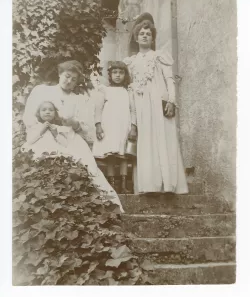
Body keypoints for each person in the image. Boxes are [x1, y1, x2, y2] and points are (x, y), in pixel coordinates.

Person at [22, 60, 124, 212]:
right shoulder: (43, 91)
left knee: (87, 164)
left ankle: (100, 206)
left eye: (74, 79)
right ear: (59, 74)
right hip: (45, 133)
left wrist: (72, 122)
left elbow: (85, 128)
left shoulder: (79, 99)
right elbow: (29, 117)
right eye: (67, 76)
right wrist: (45, 126)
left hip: (70, 136)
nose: (69, 81)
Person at [123, 12, 188, 195]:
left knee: (164, 138)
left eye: (148, 34)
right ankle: (149, 184)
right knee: (146, 141)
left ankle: (168, 184)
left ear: (152, 38)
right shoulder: (131, 62)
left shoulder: (160, 56)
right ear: (136, 38)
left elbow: (170, 80)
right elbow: (129, 87)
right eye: (142, 34)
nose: (145, 36)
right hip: (141, 105)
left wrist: (171, 101)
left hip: (159, 102)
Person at [92, 61, 137, 193]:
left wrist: (133, 127)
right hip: (109, 125)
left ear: (125, 75)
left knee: (123, 155)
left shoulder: (128, 91)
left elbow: (133, 110)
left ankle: (123, 184)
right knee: (111, 155)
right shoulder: (104, 90)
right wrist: (98, 125)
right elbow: (98, 109)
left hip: (124, 125)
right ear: (110, 75)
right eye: (115, 72)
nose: (118, 75)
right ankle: (112, 183)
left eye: (121, 73)